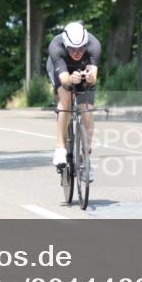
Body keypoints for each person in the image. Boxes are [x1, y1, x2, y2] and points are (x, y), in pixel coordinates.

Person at [46, 22, 101, 177]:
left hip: (83, 67)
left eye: (81, 49)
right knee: (66, 99)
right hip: (61, 69)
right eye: (72, 49)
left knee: (87, 110)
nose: (77, 52)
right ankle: (60, 148)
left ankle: (86, 158)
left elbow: (93, 77)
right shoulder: (56, 46)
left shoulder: (94, 45)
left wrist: (89, 78)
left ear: (86, 44)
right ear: (65, 44)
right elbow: (65, 80)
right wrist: (71, 79)